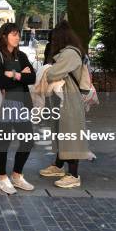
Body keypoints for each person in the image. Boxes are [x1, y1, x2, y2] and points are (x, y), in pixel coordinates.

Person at [38, 21, 90, 188]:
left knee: (70, 134)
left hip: (69, 100)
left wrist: (47, 70)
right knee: (61, 132)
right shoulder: (70, 52)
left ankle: (74, 175)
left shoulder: (69, 53)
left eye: (54, 39)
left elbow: (53, 74)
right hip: (64, 100)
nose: (52, 43)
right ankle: (59, 166)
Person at [0, 23, 36, 195]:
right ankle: (2, 178)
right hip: (3, 105)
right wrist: (19, 75)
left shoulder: (21, 55)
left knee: (28, 140)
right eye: (14, 34)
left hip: (21, 104)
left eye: (18, 34)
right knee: (4, 142)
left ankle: (17, 175)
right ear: (4, 36)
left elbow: (32, 77)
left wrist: (14, 74)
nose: (17, 37)